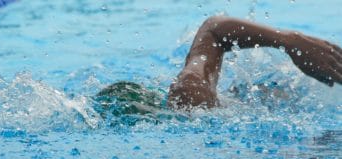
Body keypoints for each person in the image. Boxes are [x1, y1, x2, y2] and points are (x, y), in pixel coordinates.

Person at [95, 16, 342, 115]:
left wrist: (291, 41)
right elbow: (213, 30)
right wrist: (289, 40)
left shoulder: (189, 99)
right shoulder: (191, 102)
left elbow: (215, 29)